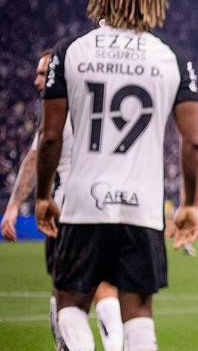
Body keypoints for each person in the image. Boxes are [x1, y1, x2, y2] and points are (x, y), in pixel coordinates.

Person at [36, 0, 198, 351]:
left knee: (70, 302)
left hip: (82, 203)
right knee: (139, 313)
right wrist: (190, 204)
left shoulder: (70, 51)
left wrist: (44, 196)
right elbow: (194, 142)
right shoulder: (172, 59)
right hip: (141, 209)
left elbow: (50, 136)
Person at [2, 49, 123, 351]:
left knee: (65, 295)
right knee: (107, 288)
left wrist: (16, 205)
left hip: (68, 211)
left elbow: (36, 156)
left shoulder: (58, 111)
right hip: (109, 209)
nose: (37, 81)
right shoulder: (102, 105)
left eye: (44, 73)